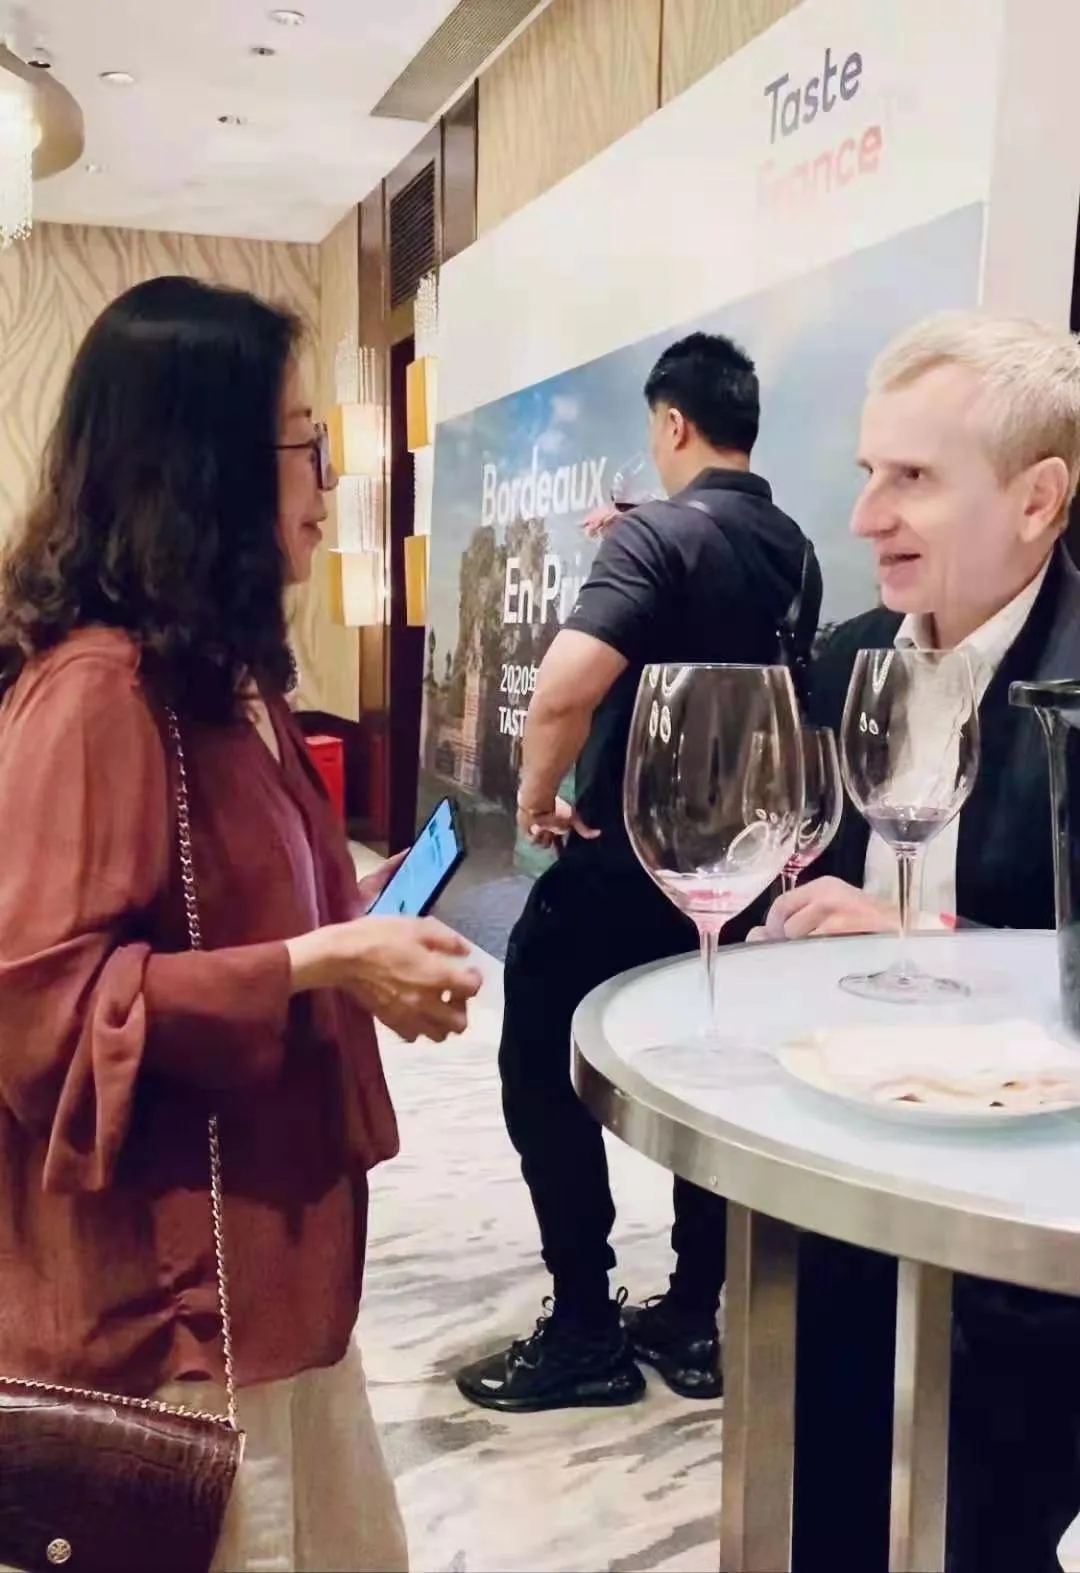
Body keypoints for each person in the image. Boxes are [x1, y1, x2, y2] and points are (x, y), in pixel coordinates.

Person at [0, 277, 483, 1573]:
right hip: (176, 1317)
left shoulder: (224, 676)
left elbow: (237, 916)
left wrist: (357, 929)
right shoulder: (98, 693)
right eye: (305, 446)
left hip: (271, 1276)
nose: (330, 484)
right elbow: (40, 1014)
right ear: (203, 463)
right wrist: (323, 959)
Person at [754, 311, 1080, 1573]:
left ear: (1040, 499)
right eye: (866, 473)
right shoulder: (849, 659)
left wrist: (927, 937)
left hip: (1028, 1231)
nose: (864, 517)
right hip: (848, 1170)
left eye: (913, 478)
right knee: (818, 1495)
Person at [456, 332, 821, 1413]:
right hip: (742, 872)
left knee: (538, 1063)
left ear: (672, 422)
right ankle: (693, 1315)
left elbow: (565, 687)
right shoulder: (795, 549)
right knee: (715, 1078)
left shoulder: (659, 534)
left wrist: (535, 797)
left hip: (629, 863)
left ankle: (583, 1327)